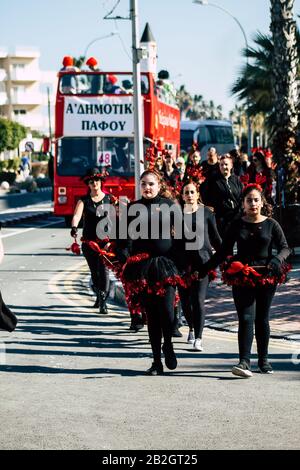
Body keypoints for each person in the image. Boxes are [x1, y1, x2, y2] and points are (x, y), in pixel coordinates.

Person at [203, 183, 291, 377]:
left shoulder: (271, 224)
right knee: (245, 318)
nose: (253, 203)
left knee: (262, 318)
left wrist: (277, 259)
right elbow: (224, 252)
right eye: (249, 200)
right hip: (242, 275)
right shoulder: (237, 225)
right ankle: (244, 361)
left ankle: (264, 360)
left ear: (262, 202)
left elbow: (285, 247)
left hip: (266, 275)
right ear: (243, 203)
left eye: (256, 200)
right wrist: (203, 269)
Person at [117, 169, 183, 375]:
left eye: (151, 184)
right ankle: (156, 361)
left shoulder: (169, 206)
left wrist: (181, 263)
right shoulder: (133, 208)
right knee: (152, 316)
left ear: (159, 185)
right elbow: (122, 240)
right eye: (143, 183)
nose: (147, 187)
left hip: (166, 266)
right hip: (143, 269)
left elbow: (182, 237)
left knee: (167, 312)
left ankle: (168, 346)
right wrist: (127, 258)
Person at [176, 180, 222, 350]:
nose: (189, 195)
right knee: (185, 301)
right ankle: (192, 327)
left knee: (198, 300)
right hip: (182, 264)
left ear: (197, 194)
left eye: (192, 192)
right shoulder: (177, 214)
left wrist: (225, 255)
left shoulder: (207, 213)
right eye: (186, 192)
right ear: (182, 196)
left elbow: (216, 238)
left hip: (203, 262)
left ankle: (199, 338)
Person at [70, 168, 114, 314]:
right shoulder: (84, 200)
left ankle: (103, 299)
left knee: (105, 270)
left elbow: (115, 219)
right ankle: (99, 296)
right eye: (91, 181)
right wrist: (74, 227)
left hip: (105, 242)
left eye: (97, 180)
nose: (94, 183)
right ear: (88, 184)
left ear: (101, 182)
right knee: (95, 272)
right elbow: (76, 216)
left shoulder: (110, 199)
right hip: (89, 243)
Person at [202, 154, 244, 238]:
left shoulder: (236, 180)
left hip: (236, 216)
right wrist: (210, 207)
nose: (224, 167)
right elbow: (204, 193)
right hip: (221, 218)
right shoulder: (213, 180)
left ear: (231, 166)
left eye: (226, 164)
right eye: (221, 164)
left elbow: (241, 195)